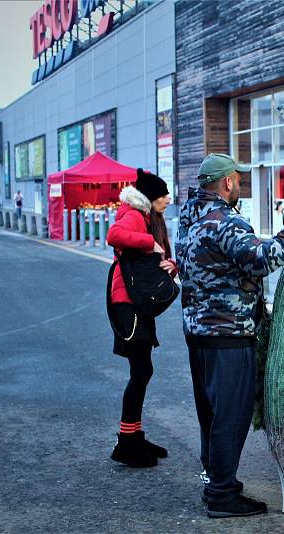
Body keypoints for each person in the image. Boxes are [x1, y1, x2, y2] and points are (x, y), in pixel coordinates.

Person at [176, 153, 284, 518]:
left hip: (200, 334)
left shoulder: (190, 217)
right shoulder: (224, 220)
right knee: (230, 417)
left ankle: (217, 483)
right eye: (238, 178)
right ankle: (222, 496)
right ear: (226, 182)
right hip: (228, 333)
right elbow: (262, 259)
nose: (239, 183)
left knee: (212, 415)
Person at [105, 168, 177, 468]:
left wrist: (169, 263)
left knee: (142, 370)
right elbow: (114, 235)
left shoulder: (149, 217)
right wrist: (150, 244)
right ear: (150, 197)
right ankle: (126, 442)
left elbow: (154, 258)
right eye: (163, 195)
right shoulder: (134, 214)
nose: (168, 199)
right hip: (127, 303)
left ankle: (133, 436)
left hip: (136, 301)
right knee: (141, 371)